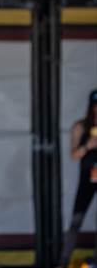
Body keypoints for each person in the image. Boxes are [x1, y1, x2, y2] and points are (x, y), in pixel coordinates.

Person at [58, 89, 97, 268]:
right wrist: (87, 146)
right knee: (76, 219)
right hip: (88, 178)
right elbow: (74, 154)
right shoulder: (80, 126)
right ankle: (63, 260)